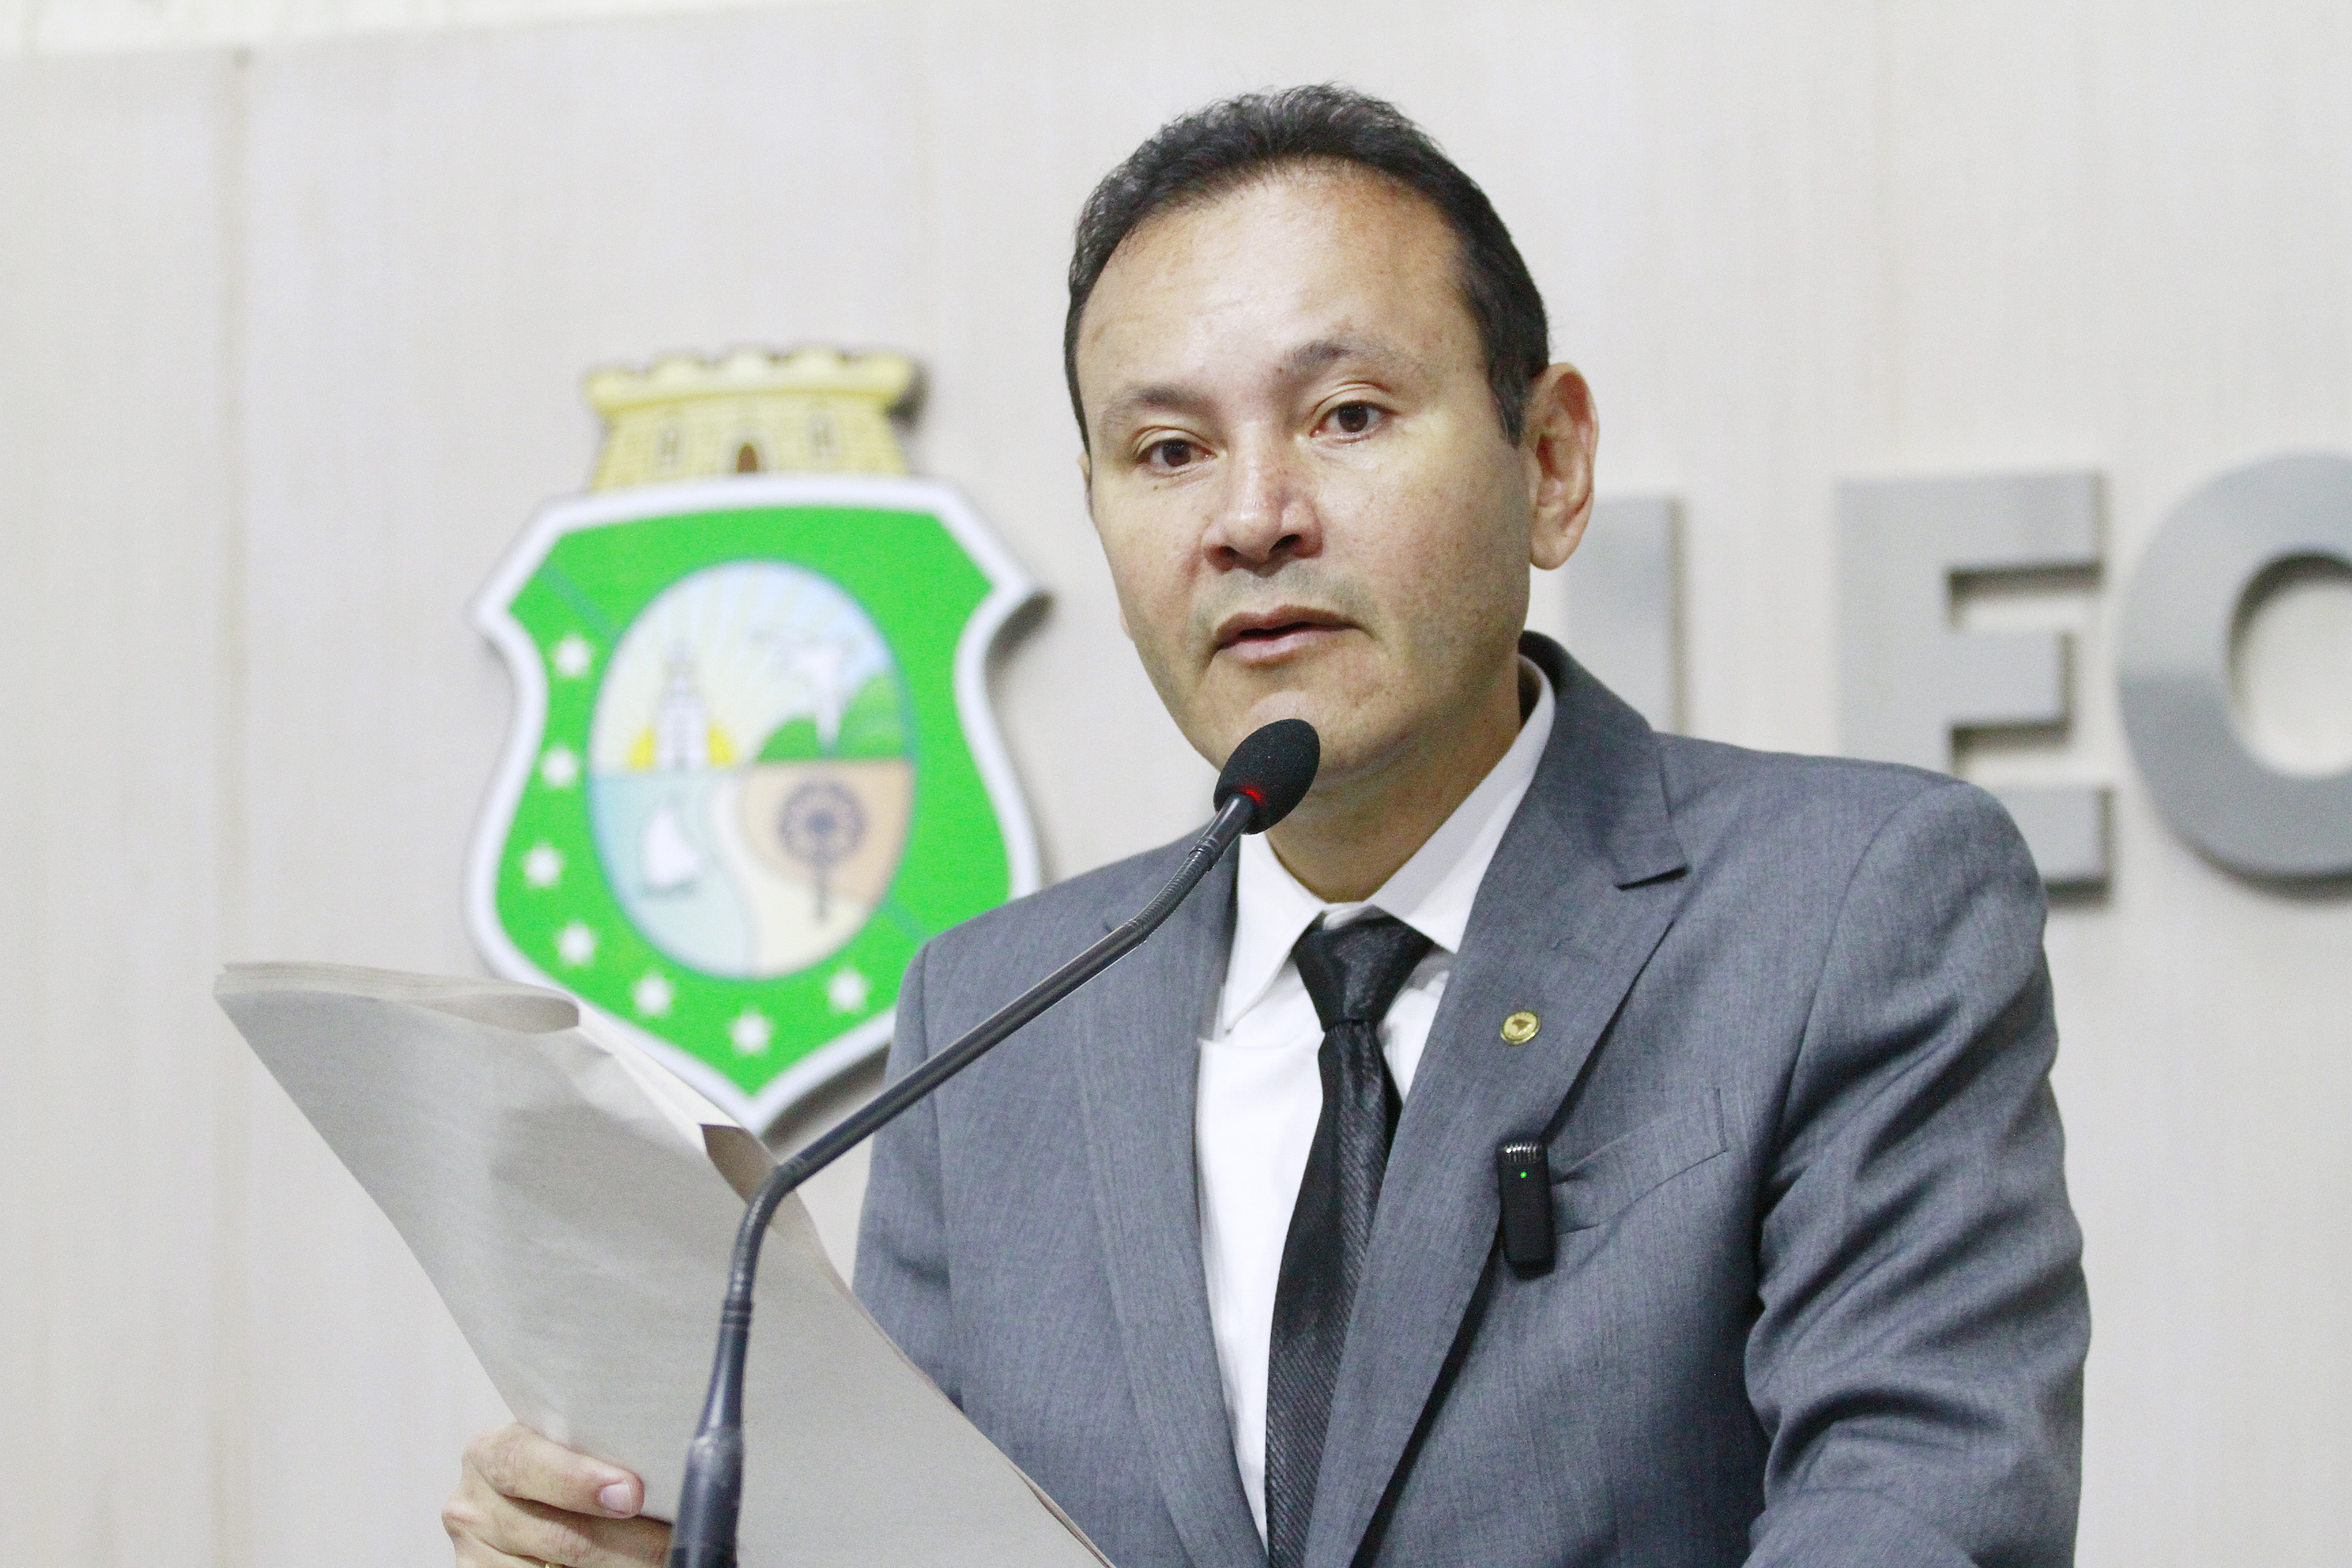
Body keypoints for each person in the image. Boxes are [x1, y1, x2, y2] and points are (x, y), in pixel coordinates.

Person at [445, 85, 2089, 1568]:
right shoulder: (997, 1016)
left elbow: (1920, 1513)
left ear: (1551, 462)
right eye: (1167, 450)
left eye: (1348, 415)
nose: (1251, 519)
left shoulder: (1847, 909)